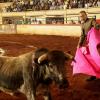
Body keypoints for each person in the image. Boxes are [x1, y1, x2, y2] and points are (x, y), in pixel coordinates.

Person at [77, 10, 100, 81]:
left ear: (86, 15)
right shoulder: (82, 25)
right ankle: (93, 75)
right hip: (90, 43)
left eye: (83, 15)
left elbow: (96, 25)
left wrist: (96, 26)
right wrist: (79, 44)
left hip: (97, 42)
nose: (82, 17)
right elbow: (82, 35)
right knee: (91, 59)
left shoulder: (91, 20)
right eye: (80, 16)